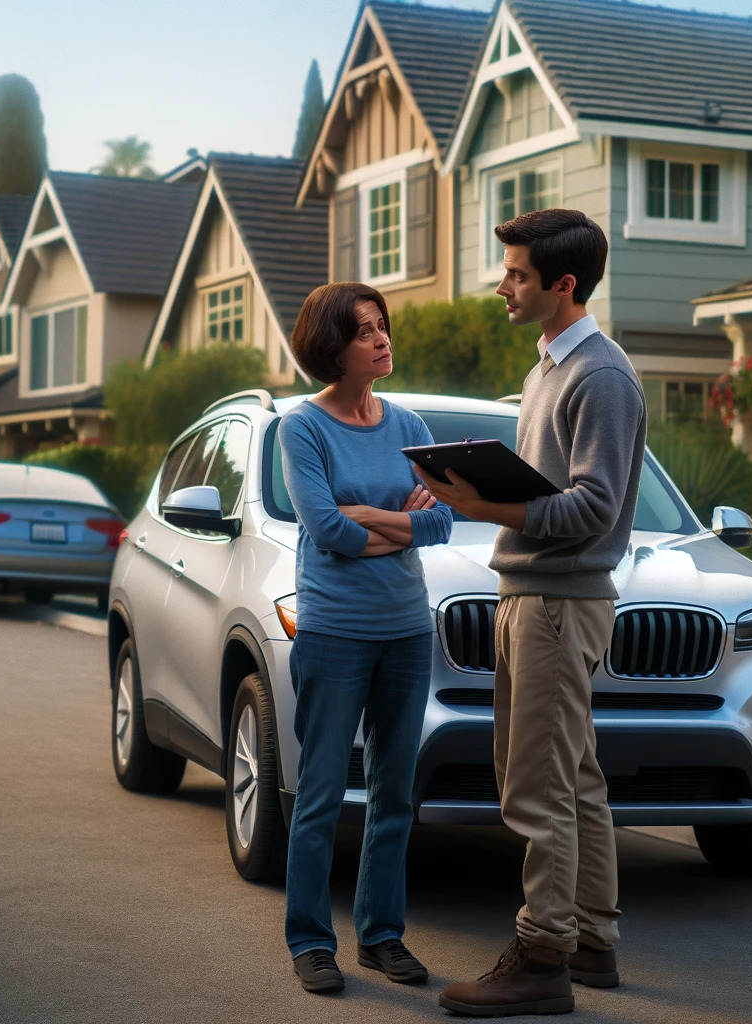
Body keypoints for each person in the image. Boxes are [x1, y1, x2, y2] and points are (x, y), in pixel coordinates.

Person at [419, 209, 645, 1017]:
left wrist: (485, 506)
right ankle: (591, 941)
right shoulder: (549, 368)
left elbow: (593, 507)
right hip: (535, 595)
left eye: (516, 274)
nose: (502, 284)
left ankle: (543, 954)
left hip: (557, 600)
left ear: (564, 285)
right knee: (575, 777)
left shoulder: (601, 377)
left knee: (535, 787)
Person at [277, 281, 452, 995]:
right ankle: (312, 941)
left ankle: (381, 937)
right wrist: (395, 524)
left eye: (382, 325)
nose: (382, 339)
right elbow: (326, 530)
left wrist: (370, 523)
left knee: (393, 793)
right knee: (321, 791)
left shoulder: (409, 423)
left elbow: (442, 523)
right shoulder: (302, 428)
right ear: (332, 348)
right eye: (364, 331)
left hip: (408, 631)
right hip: (335, 634)